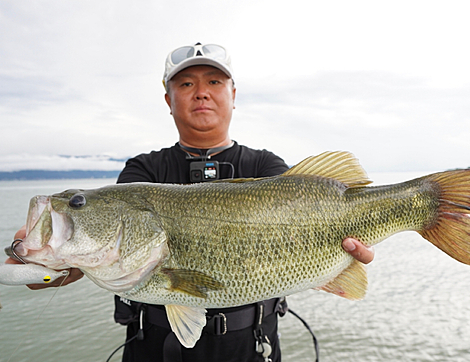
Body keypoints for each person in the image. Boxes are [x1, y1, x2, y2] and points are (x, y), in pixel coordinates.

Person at [7, 42, 374, 362]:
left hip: (252, 349)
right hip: (151, 349)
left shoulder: (268, 168)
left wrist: (350, 248)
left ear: (233, 94)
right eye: (186, 83)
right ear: (168, 99)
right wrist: (54, 265)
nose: (201, 92)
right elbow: (102, 257)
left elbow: (322, 215)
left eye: (214, 81)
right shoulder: (143, 170)